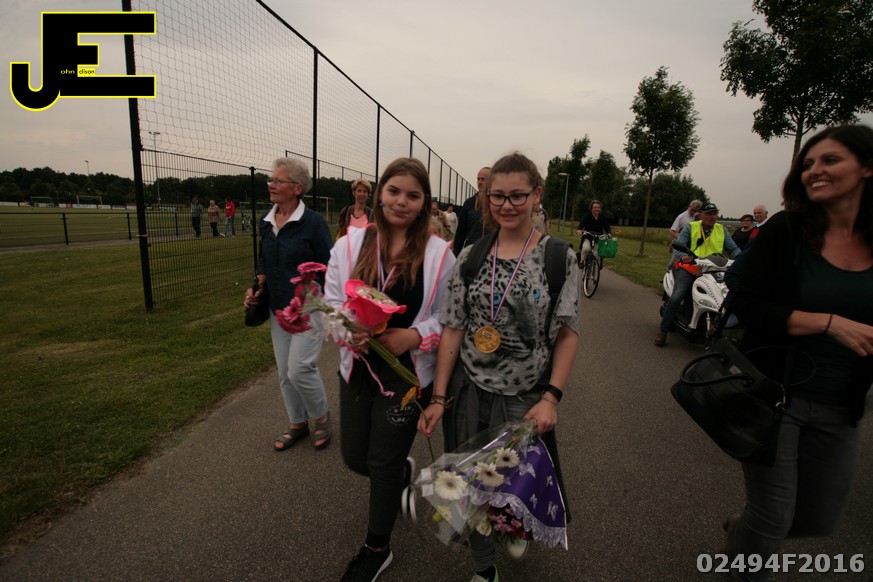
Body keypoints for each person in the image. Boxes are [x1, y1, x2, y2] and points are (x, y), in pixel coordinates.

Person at [418, 152, 579, 582]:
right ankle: (484, 567)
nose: (506, 205)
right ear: (486, 197)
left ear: (536, 195)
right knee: (471, 485)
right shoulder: (471, 256)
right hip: (471, 391)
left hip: (526, 397)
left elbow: (568, 333)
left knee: (513, 481)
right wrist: (439, 397)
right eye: (497, 196)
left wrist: (551, 398)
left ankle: (516, 523)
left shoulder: (558, 257)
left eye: (517, 196)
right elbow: (453, 328)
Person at [722, 125, 873, 581]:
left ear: (867, 167)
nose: (814, 170)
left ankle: (742, 532)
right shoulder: (786, 231)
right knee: (772, 517)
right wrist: (827, 322)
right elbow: (746, 301)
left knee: (816, 521)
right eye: (808, 163)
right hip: (777, 394)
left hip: (844, 402)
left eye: (830, 160)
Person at [325, 157, 456, 582]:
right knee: (355, 457)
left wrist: (413, 337)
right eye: (394, 191)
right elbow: (330, 303)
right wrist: (348, 330)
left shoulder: (439, 255)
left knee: (380, 464)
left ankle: (376, 549)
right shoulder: (349, 245)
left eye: (412, 195)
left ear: (424, 203)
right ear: (379, 193)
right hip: (358, 369)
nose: (401, 201)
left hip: (406, 378)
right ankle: (400, 473)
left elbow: (448, 318)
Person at [243, 157, 333, 451]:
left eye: (278, 180)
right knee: (284, 372)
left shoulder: (313, 223)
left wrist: (323, 300)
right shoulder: (266, 221)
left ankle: (320, 416)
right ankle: (297, 423)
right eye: (270, 179)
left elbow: (330, 265)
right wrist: (257, 287)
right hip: (277, 307)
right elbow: (264, 260)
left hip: (309, 308)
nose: (271, 184)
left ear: (297, 188)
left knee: (299, 368)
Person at [655, 202, 740, 346]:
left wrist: (742, 259)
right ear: (701, 215)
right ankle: (663, 330)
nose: (713, 217)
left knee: (725, 296)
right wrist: (683, 256)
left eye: (715, 214)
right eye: (709, 214)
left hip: (714, 269)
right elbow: (678, 246)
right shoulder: (691, 227)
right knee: (677, 296)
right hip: (691, 267)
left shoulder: (722, 229)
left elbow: (733, 249)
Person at [453, 167, 491, 255]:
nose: (479, 182)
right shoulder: (469, 203)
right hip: (471, 252)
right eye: (478, 179)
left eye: (483, 179)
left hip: (492, 252)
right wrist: (456, 253)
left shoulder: (498, 203)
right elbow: (461, 232)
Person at [576, 199, 611, 266]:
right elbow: (582, 223)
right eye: (595, 207)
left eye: (598, 208)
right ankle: (582, 260)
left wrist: (609, 233)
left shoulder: (602, 217)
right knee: (586, 249)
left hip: (598, 238)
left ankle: (595, 267)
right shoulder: (587, 216)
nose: (597, 209)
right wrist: (579, 230)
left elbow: (606, 226)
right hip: (588, 237)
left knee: (597, 254)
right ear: (591, 208)